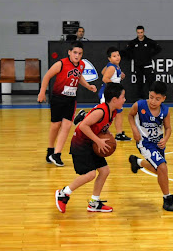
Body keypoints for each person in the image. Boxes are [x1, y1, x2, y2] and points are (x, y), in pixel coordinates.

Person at [55, 83, 126, 213]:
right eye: (123, 97)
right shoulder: (101, 111)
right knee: (90, 174)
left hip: (91, 143)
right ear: (114, 99)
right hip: (80, 144)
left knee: (104, 171)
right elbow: (83, 126)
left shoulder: (113, 111)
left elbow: (101, 127)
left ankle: (94, 203)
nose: (125, 99)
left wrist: (108, 135)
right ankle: (63, 193)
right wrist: (98, 140)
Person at [37, 41, 97, 167]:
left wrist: (87, 86)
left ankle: (57, 154)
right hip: (58, 98)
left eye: (80, 53)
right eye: (75, 53)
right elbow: (47, 76)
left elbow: (79, 76)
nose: (77, 55)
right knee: (55, 125)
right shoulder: (61, 63)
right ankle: (50, 149)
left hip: (71, 99)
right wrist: (42, 92)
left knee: (67, 125)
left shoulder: (81, 65)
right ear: (69, 52)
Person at [128, 81, 173, 212]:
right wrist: (134, 130)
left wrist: (165, 139)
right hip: (145, 143)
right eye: (151, 97)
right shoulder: (139, 105)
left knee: (160, 171)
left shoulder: (165, 111)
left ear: (163, 99)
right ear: (148, 95)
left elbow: (168, 128)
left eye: (157, 99)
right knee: (162, 168)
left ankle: (138, 162)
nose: (153, 101)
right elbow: (130, 115)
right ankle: (167, 198)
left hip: (158, 143)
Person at [74, 47, 131, 141]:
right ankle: (84, 116)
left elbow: (103, 71)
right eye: (114, 56)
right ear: (109, 58)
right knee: (102, 113)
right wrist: (114, 86)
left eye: (118, 55)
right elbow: (105, 79)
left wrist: (118, 75)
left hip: (114, 94)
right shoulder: (112, 67)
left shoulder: (113, 66)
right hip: (108, 93)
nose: (117, 57)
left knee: (118, 113)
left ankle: (119, 133)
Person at [125, 25, 162, 99]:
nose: (140, 34)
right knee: (139, 83)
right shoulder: (133, 42)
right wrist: (134, 57)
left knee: (150, 82)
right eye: (138, 33)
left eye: (141, 32)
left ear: (143, 32)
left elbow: (158, 48)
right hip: (138, 66)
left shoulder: (149, 41)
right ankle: (140, 98)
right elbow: (127, 51)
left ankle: (152, 97)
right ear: (136, 33)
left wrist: (149, 55)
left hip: (147, 65)